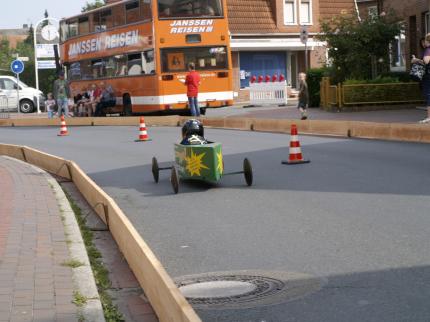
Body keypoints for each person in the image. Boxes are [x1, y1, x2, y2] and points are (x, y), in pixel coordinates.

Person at [412, 34, 430, 124]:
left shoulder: (428, 50)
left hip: (428, 76)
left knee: (428, 95)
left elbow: (426, 61)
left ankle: (429, 117)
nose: (424, 43)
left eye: (425, 41)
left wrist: (416, 60)